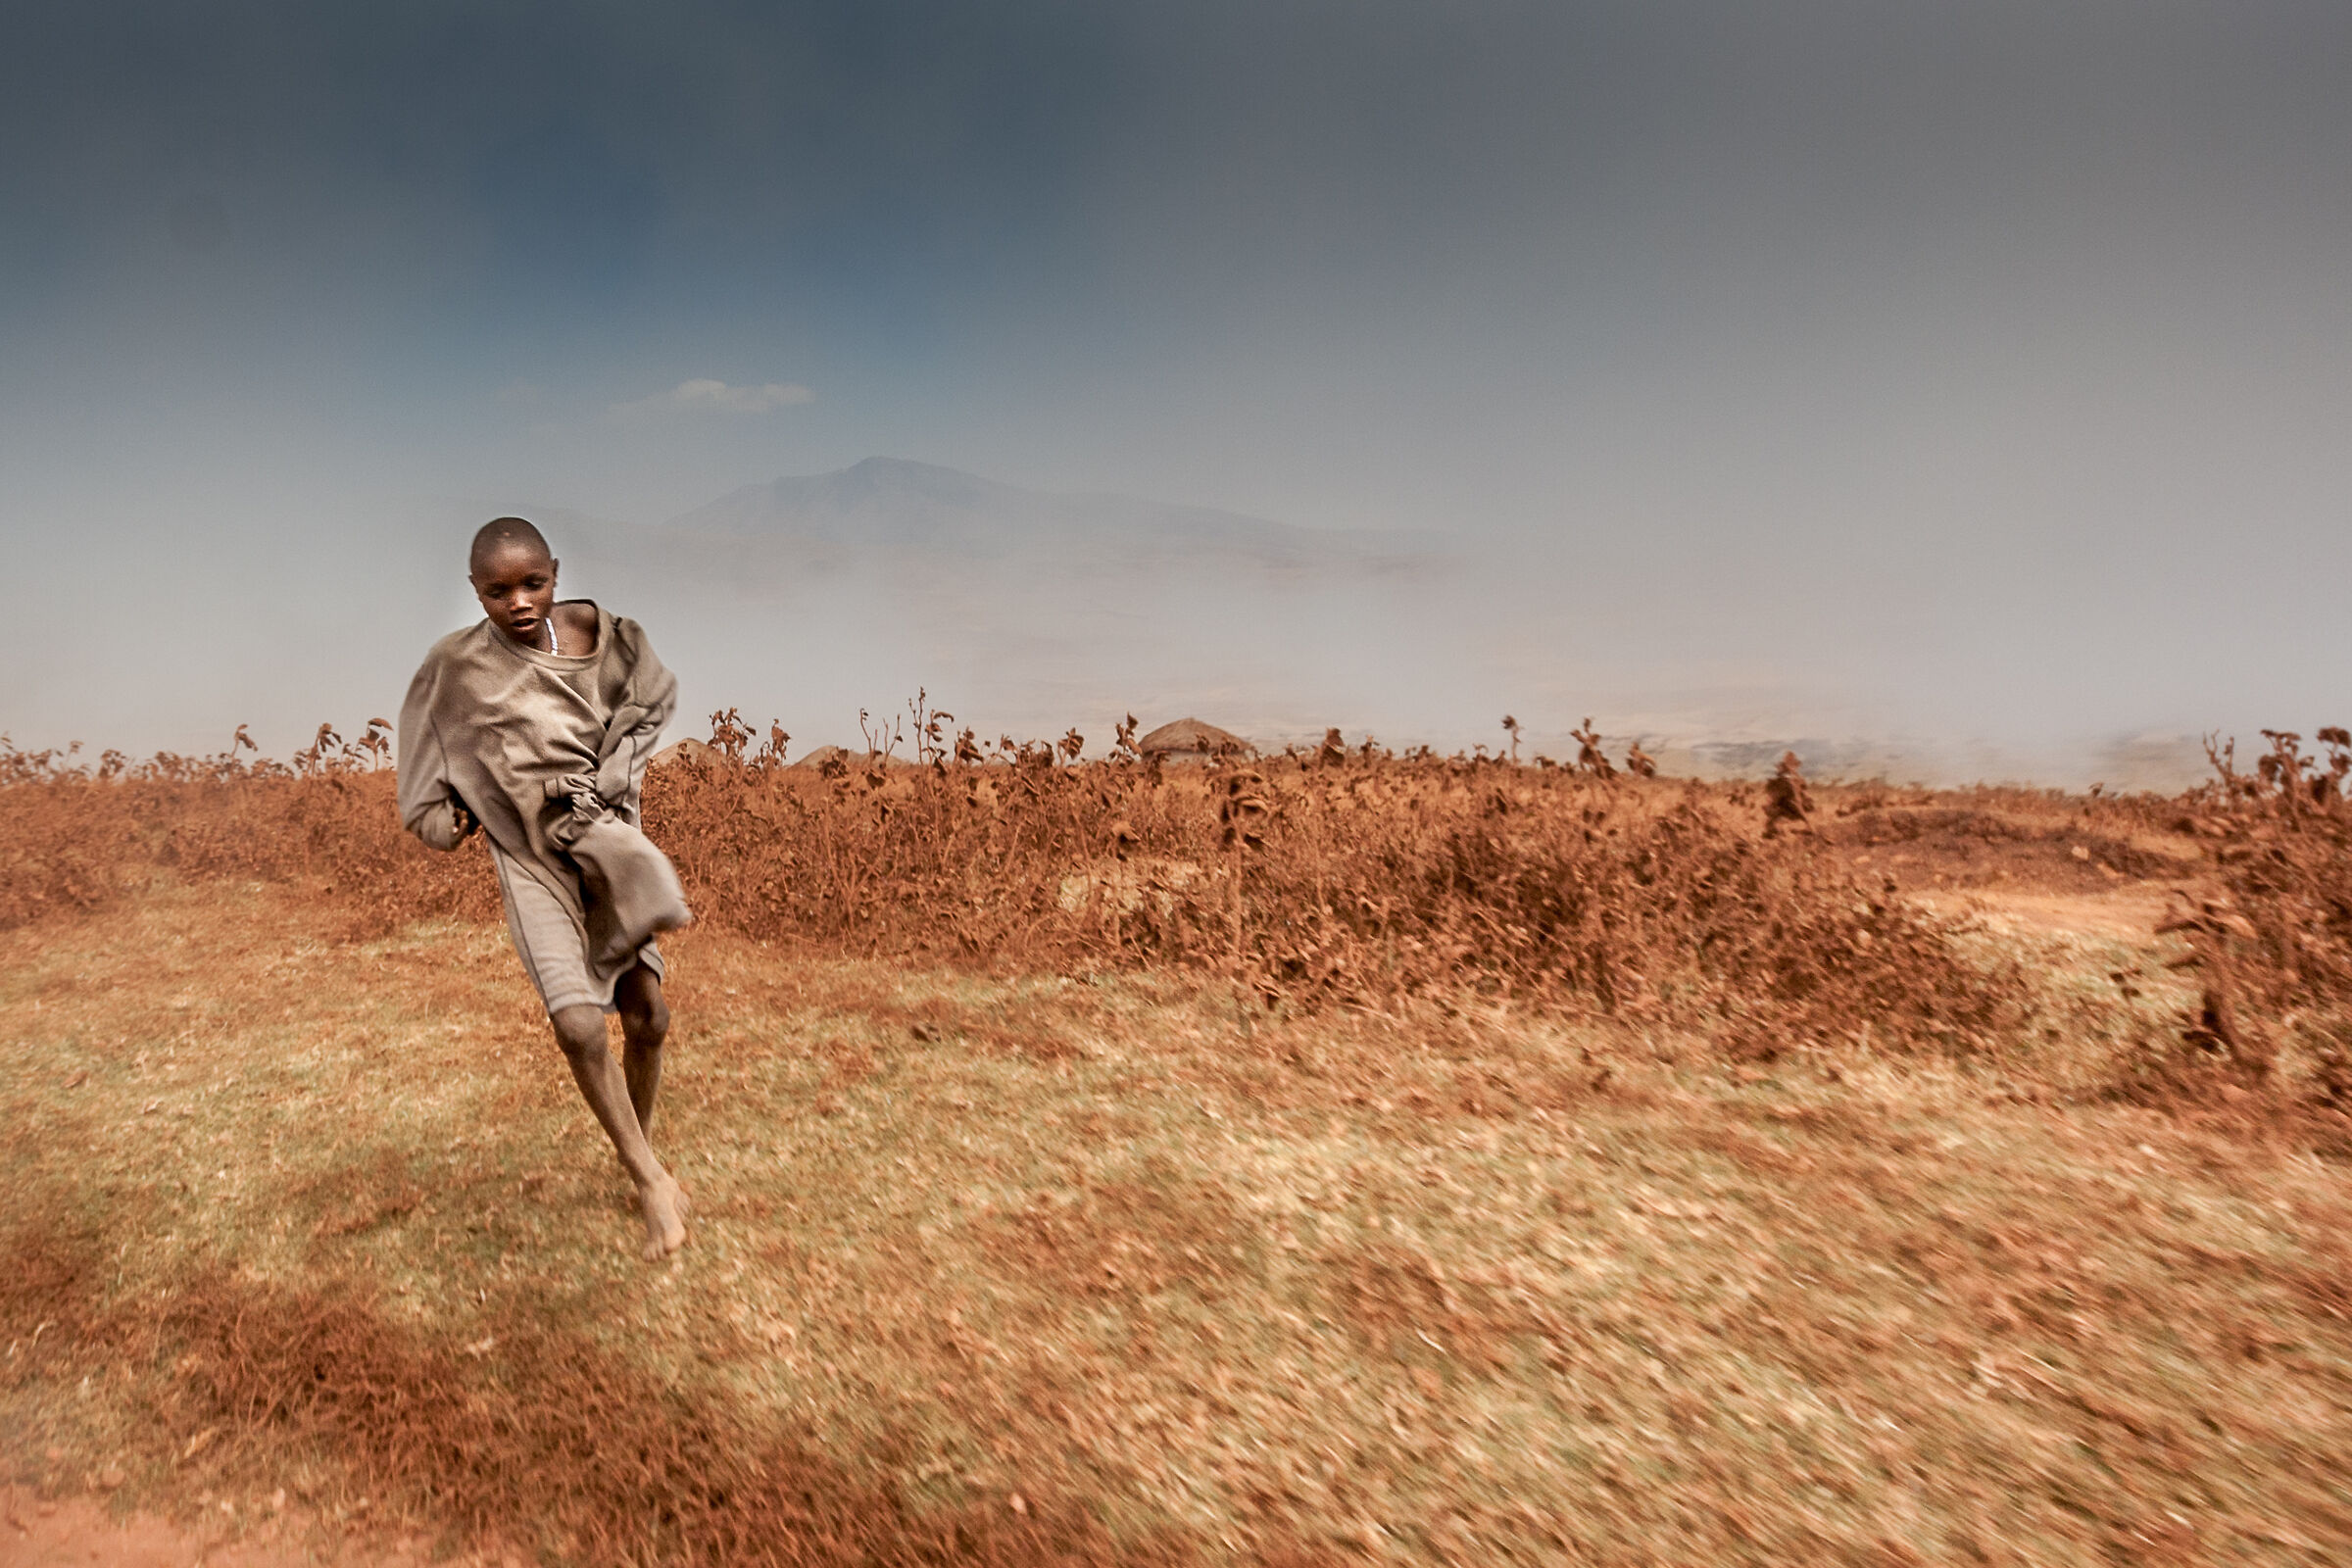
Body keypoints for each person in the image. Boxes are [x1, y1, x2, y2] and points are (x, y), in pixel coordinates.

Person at [397, 517, 694, 1260]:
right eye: (498, 591)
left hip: (606, 843)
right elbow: (424, 757)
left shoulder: (610, 639)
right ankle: (649, 1178)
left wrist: (612, 774)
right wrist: (448, 819)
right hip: (530, 855)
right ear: (475, 593)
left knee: (647, 1016)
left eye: (533, 583)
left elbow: (650, 702)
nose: (520, 602)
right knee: (578, 1026)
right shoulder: (456, 667)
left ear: (556, 573)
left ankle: (640, 1149)